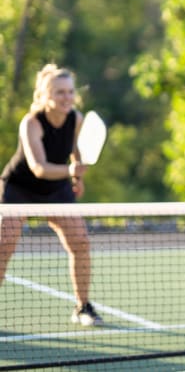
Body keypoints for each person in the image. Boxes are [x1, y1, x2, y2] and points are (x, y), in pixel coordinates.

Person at [0, 64, 103, 327]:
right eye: (59, 92)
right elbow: (39, 167)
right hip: (19, 188)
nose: (66, 97)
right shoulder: (31, 122)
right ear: (46, 96)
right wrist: (71, 171)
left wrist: (77, 178)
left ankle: (83, 307)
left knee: (80, 242)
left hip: (56, 190)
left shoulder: (76, 119)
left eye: (70, 92)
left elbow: (77, 152)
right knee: (3, 247)